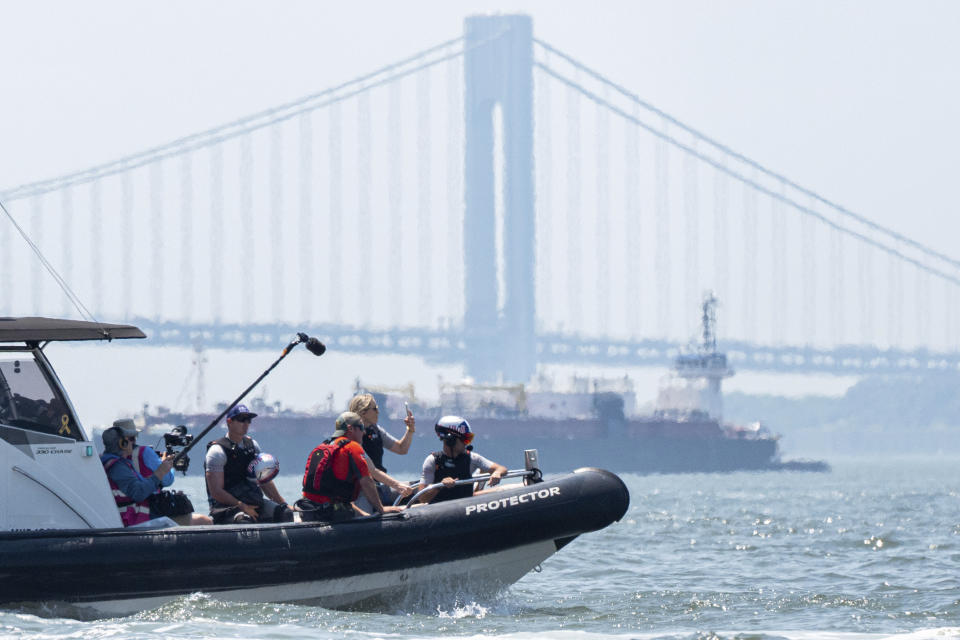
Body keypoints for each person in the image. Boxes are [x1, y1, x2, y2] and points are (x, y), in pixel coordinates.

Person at [297, 411, 403, 521]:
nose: (364, 432)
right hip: (329, 512)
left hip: (308, 510)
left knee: (361, 515)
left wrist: (365, 516)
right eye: (361, 427)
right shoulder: (352, 447)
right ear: (351, 429)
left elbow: (335, 496)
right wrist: (381, 509)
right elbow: (367, 482)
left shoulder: (323, 447)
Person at [204, 404, 293, 524]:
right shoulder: (217, 452)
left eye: (248, 420)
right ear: (229, 422)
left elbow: (263, 480)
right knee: (244, 521)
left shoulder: (253, 446)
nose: (246, 424)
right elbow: (216, 492)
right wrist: (242, 506)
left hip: (253, 501)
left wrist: (283, 503)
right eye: (241, 420)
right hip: (228, 507)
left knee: (285, 513)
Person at [117, 418, 213, 526]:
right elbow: (167, 480)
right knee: (205, 521)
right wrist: (167, 464)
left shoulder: (112, 460)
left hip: (124, 515)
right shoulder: (144, 452)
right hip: (147, 513)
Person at [415, 416, 508, 504]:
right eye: (465, 439)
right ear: (450, 440)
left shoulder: (473, 458)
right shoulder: (432, 461)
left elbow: (501, 468)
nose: (466, 444)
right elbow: (422, 498)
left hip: (466, 510)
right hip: (439, 514)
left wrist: (497, 473)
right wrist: (440, 486)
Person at [100, 421, 176, 526]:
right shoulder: (118, 467)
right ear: (123, 443)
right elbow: (138, 492)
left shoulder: (115, 462)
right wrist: (160, 472)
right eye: (131, 439)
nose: (134, 443)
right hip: (133, 521)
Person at [348, 393, 416, 507]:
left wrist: (410, 430)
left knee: (419, 489)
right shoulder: (353, 436)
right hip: (360, 493)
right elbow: (371, 470)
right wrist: (397, 485)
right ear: (363, 413)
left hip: (378, 487)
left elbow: (401, 448)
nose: (378, 412)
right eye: (374, 409)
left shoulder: (376, 430)